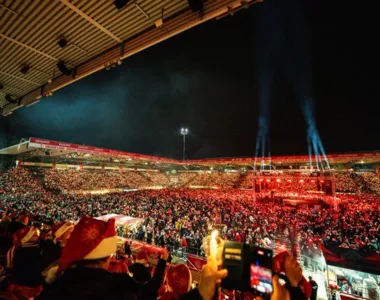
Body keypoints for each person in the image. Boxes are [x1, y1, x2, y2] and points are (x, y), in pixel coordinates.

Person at [37, 215, 168, 300]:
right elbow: (150, 290)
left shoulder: (56, 284)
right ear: (107, 257)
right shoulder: (120, 285)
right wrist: (162, 261)